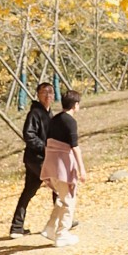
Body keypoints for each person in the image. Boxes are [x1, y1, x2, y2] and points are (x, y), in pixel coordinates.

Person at [10, 80, 59, 235]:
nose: (47, 95)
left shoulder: (49, 113)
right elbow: (29, 135)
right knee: (58, 185)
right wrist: (45, 149)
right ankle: (62, 221)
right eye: (44, 92)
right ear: (38, 95)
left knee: (28, 191)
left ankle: (16, 228)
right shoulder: (35, 113)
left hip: (38, 159)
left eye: (50, 92)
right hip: (37, 159)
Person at [41, 88, 86, 245]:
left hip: (50, 163)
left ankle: (50, 227)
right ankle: (62, 233)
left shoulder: (55, 119)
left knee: (62, 197)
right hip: (62, 165)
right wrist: (82, 169)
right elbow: (75, 147)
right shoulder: (70, 121)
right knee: (68, 200)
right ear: (75, 105)